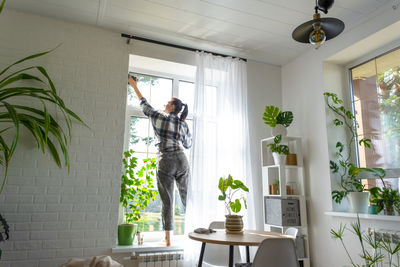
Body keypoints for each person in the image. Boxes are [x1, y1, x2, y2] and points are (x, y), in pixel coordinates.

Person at [128, 75, 192, 246]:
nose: (164, 105)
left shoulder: (160, 118)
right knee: (187, 198)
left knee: (167, 200)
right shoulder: (183, 124)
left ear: (171, 107)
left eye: (166, 103)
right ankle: (195, 233)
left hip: (166, 160)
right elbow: (188, 144)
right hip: (182, 159)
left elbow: (144, 104)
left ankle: (168, 239)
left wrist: (134, 86)